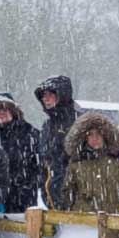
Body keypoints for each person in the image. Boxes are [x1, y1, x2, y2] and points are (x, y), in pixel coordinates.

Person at [0, 94, 41, 213]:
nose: (1, 112)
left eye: (5, 108)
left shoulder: (29, 133)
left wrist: (26, 181)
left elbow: (40, 164)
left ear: (13, 111)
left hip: (22, 199)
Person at [35, 75, 77, 209]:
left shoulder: (78, 123)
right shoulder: (47, 126)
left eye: (50, 94)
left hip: (76, 197)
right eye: (43, 95)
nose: (45, 98)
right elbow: (44, 161)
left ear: (62, 95)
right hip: (51, 197)